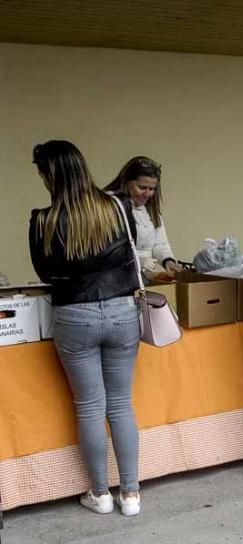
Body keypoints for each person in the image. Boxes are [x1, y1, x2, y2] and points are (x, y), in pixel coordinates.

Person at [29, 140, 143, 516]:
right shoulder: (118, 205)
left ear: (50, 174)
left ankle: (100, 494)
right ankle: (131, 495)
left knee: (90, 407)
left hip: (74, 316)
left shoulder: (43, 219)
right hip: (122, 310)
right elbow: (132, 250)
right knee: (122, 404)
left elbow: (45, 273)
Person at [105, 156, 180, 276]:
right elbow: (105, 251)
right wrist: (137, 261)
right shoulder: (108, 206)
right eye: (142, 187)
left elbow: (159, 244)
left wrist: (168, 260)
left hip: (143, 277)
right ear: (126, 182)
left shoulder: (150, 209)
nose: (147, 194)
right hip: (116, 278)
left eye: (152, 189)